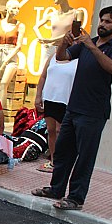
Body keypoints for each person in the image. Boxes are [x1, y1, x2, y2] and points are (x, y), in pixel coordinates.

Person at [32, 6, 112, 211]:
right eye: (102, 20)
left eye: (108, 22)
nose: (102, 24)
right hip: (74, 106)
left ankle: (76, 198)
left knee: (84, 157)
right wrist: (64, 42)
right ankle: (56, 188)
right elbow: (62, 58)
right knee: (63, 151)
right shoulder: (88, 43)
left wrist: (91, 46)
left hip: (93, 111)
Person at [34, 43, 78, 173]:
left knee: (60, 131)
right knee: (51, 130)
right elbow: (43, 76)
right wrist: (38, 96)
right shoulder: (53, 57)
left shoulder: (77, 60)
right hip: (49, 98)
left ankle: (61, 162)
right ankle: (53, 161)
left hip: (65, 100)